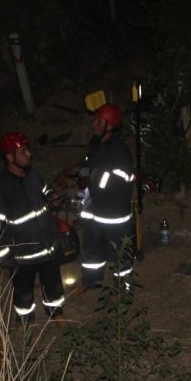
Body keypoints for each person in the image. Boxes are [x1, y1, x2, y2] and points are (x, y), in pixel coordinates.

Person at [0, 131, 65, 324]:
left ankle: (56, 315)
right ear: (9, 157)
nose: (29, 154)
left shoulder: (34, 175)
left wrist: (53, 199)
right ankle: (25, 323)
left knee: (53, 286)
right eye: (23, 151)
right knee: (23, 294)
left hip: (47, 247)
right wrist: (5, 257)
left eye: (27, 150)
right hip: (22, 258)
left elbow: (45, 193)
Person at [78, 103, 136, 289]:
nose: (93, 124)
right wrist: (83, 175)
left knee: (120, 252)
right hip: (94, 211)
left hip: (114, 215)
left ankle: (122, 285)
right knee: (92, 250)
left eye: (98, 121)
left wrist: (93, 176)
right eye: (94, 120)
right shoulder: (95, 144)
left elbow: (122, 179)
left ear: (109, 126)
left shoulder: (119, 151)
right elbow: (89, 165)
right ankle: (92, 280)